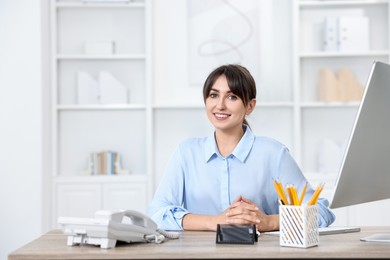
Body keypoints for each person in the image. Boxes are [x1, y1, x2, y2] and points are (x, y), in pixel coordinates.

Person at [148, 64, 335, 232]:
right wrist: (212, 222)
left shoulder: (273, 153)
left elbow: (321, 212)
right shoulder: (186, 152)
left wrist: (269, 222)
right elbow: (157, 213)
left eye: (232, 97)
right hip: (199, 254)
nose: (220, 105)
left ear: (250, 106)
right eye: (213, 95)